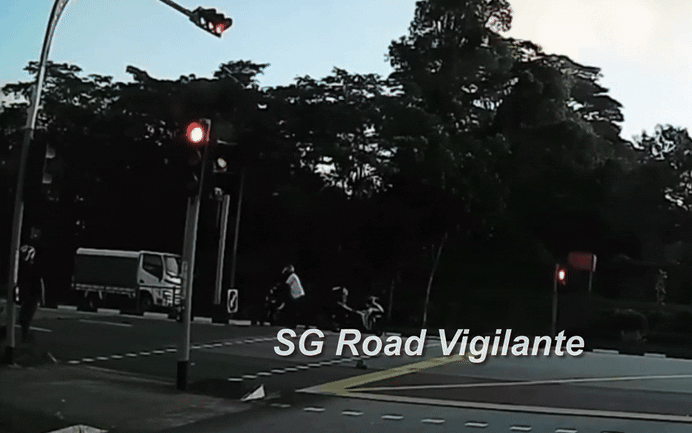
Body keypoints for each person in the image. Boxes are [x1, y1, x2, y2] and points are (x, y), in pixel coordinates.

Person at [17, 244, 44, 343]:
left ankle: (27, 338)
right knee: (23, 318)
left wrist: (41, 298)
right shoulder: (24, 267)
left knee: (25, 318)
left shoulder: (33, 267)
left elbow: (39, 283)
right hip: (28, 296)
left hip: (33, 297)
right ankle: (26, 337)